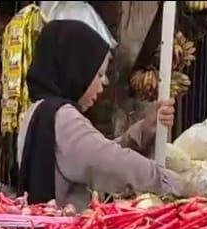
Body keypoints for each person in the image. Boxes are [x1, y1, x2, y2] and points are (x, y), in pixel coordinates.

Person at [17, 20, 183, 210]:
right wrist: (177, 184)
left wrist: (143, 131)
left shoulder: (37, 111)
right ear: (77, 71)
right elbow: (115, 164)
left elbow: (96, 154)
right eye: (99, 74)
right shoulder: (63, 118)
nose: (103, 83)